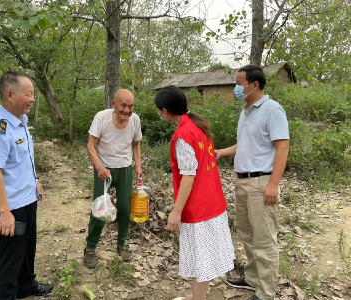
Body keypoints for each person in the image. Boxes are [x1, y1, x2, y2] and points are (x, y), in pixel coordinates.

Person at [216, 65, 290, 300]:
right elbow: (245, 145)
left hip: (261, 183)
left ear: (254, 85)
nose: (236, 88)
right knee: (247, 234)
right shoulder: (245, 111)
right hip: (242, 182)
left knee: (264, 239)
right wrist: (221, 152)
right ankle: (252, 279)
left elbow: (282, 147)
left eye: (239, 83)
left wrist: (273, 184)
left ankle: (266, 293)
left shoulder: (272, 110)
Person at [155, 85, 235, 300]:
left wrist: (176, 211)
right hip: (213, 201)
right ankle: (197, 297)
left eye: (159, 111)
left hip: (199, 207)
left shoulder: (183, 135)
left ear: (164, 111)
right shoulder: (197, 124)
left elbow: (188, 176)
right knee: (205, 257)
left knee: (201, 258)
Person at [0, 71, 53, 300]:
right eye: (29, 94)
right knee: (8, 259)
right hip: (10, 207)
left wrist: (35, 180)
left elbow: (21, 160)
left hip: (27, 199)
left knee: (27, 249)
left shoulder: (20, 121)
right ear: (10, 94)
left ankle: (25, 285)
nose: (33, 99)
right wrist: (5, 213)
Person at [83, 89, 143, 268]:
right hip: (104, 169)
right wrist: (99, 167)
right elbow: (90, 145)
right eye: (123, 105)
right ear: (113, 104)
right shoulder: (101, 118)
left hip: (125, 168)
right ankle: (90, 247)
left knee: (125, 208)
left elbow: (136, 144)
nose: (127, 110)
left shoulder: (135, 120)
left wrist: (138, 166)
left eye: (130, 106)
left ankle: (122, 243)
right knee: (100, 208)